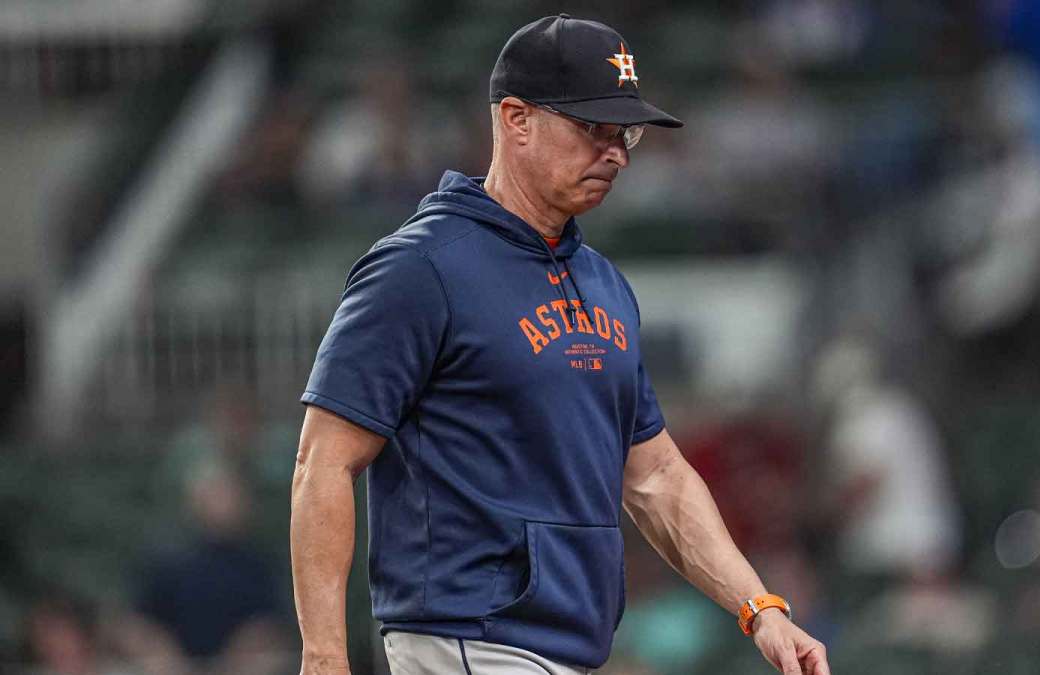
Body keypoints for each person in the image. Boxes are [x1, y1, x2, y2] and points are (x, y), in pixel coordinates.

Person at [290, 14, 830, 675]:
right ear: (516, 119)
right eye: (593, 129)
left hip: (568, 649)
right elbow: (323, 461)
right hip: (469, 638)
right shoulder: (422, 268)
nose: (617, 153)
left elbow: (655, 475)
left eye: (624, 133)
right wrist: (323, 656)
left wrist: (759, 606)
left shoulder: (602, 282)